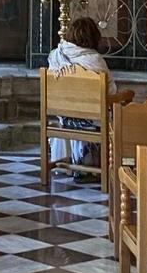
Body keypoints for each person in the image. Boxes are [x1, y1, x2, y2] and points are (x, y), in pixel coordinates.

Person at [47, 16, 115, 173]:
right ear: (94, 36)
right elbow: (111, 93)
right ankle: (98, 164)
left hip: (65, 116)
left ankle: (78, 162)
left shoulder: (56, 55)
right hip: (92, 120)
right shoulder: (95, 60)